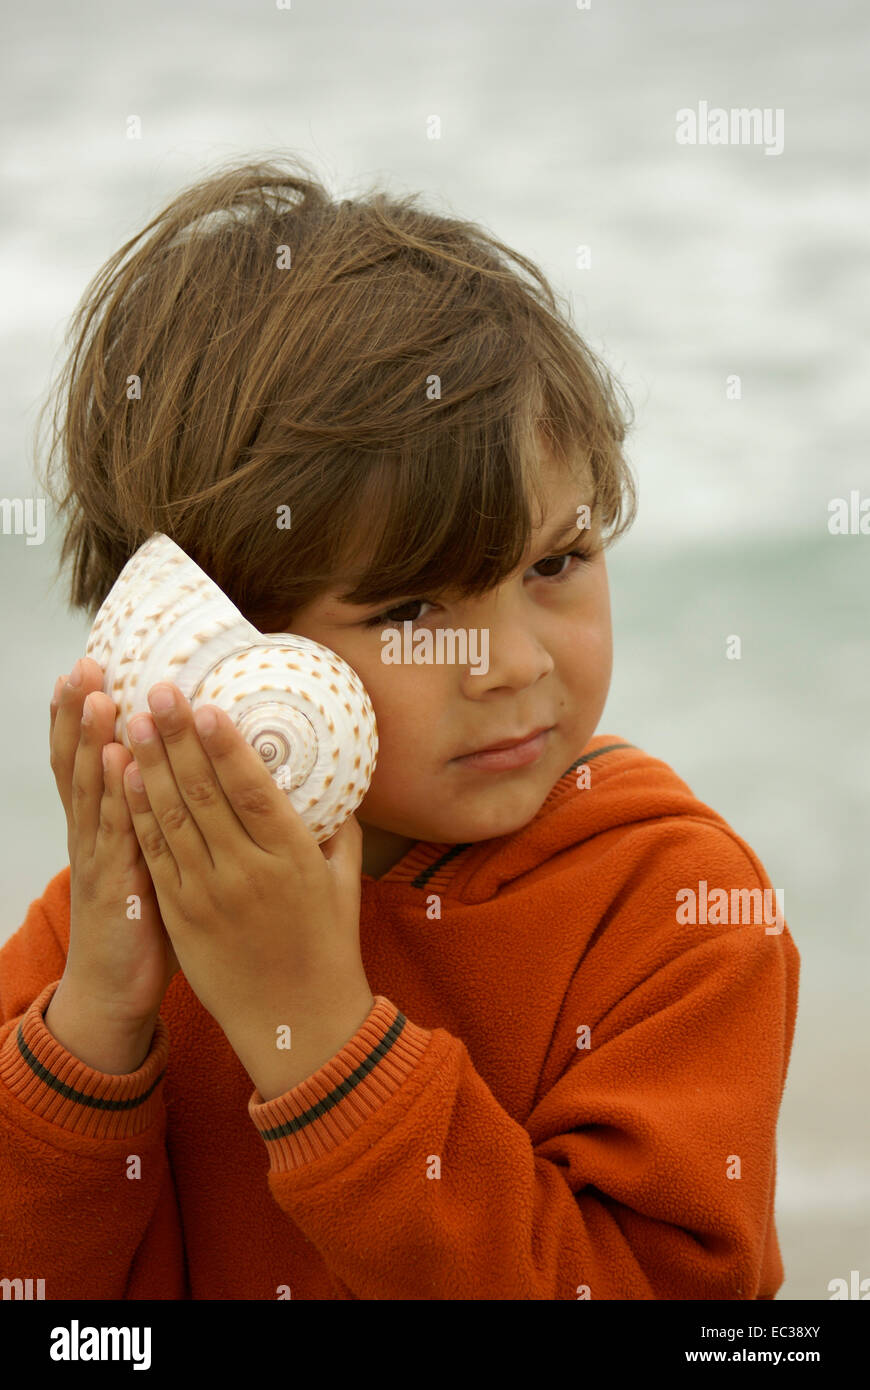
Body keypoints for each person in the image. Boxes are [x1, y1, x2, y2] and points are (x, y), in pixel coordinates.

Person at [0, 154, 799, 1300]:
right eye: (412, 607)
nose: (514, 663)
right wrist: (95, 1020)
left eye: (557, 562)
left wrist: (315, 1037)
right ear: (228, 636)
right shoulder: (122, 914)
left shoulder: (672, 905)